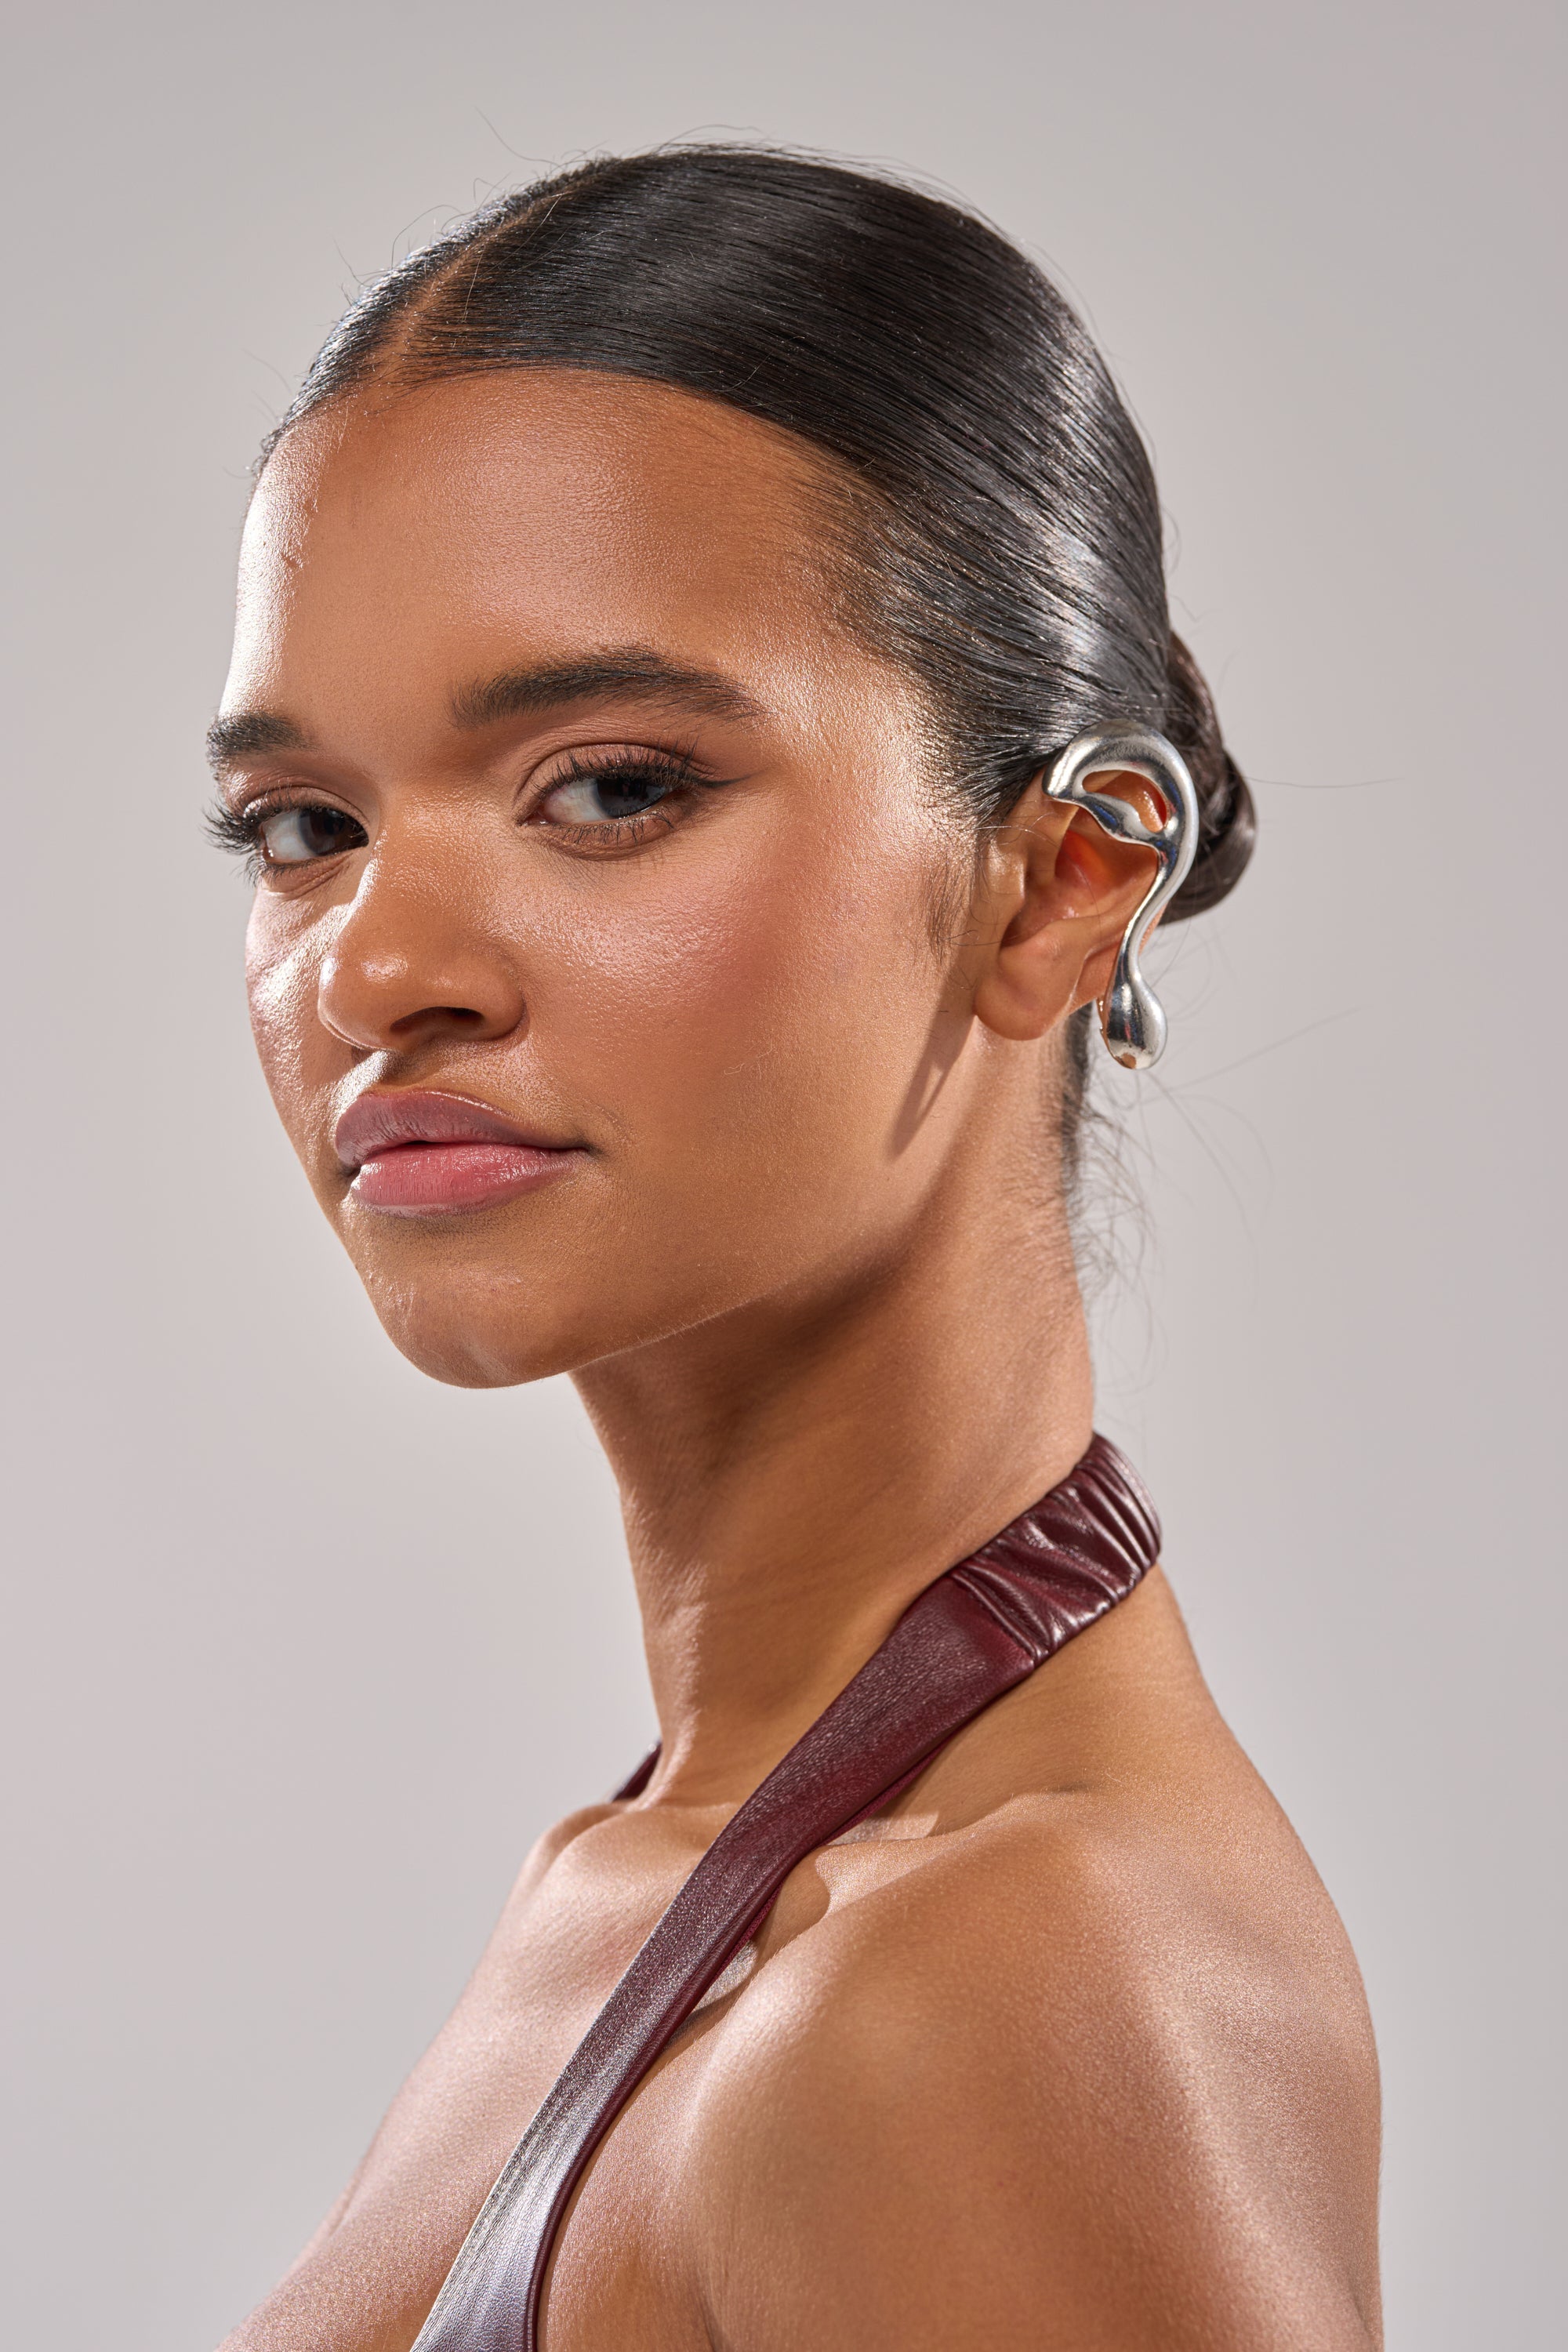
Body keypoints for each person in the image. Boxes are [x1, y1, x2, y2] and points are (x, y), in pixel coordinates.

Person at [208, 147, 1381, 2350]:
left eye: (613, 786)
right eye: (305, 827)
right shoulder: (663, 1872)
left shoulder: (1000, 1986)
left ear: (1068, 882)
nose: (381, 967)